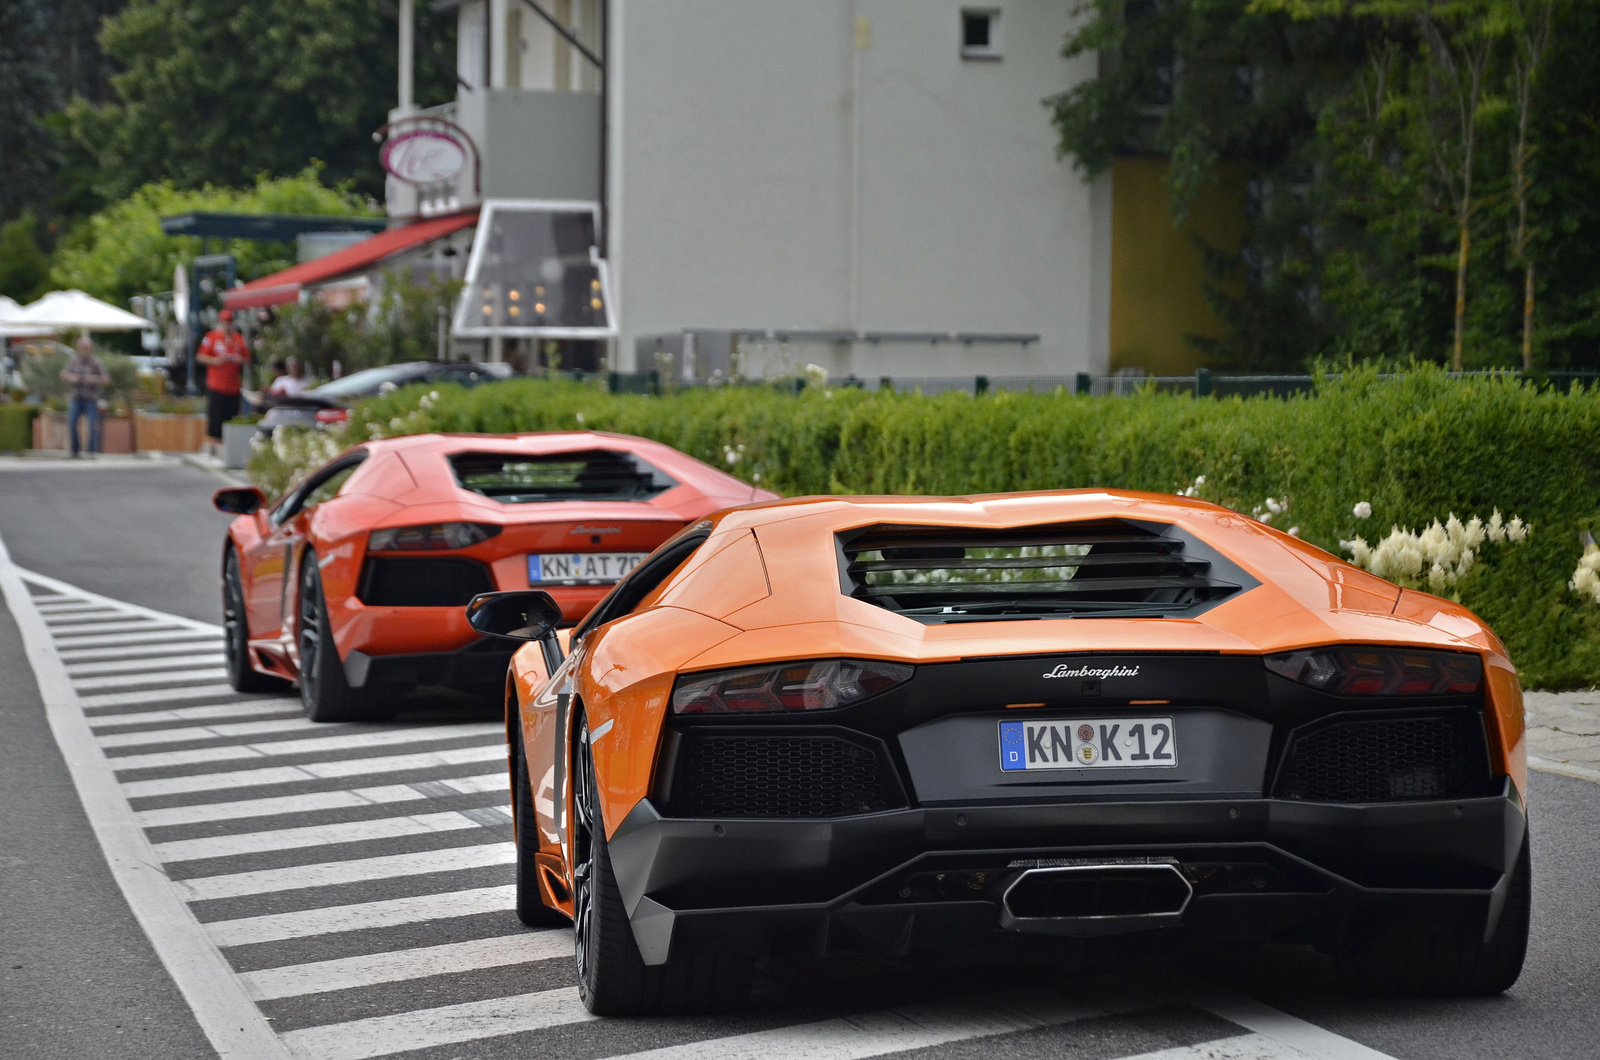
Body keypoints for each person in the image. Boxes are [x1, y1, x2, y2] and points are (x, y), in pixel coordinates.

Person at [197, 309, 250, 453]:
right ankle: (215, 443)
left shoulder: (238, 339)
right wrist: (215, 361)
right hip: (216, 384)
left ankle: (228, 443)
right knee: (216, 415)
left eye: (229, 321)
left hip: (233, 385)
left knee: (231, 414)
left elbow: (247, 358)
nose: (227, 324)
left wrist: (240, 360)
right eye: (224, 321)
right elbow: (201, 357)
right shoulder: (212, 337)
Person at [60, 336, 109, 458]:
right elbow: (63, 374)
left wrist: (93, 379)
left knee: (92, 426)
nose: (85, 350)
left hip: (90, 398)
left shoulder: (96, 363)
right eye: (83, 347)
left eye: (87, 347)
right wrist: (72, 377)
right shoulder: (74, 361)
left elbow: (106, 379)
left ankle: (91, 452)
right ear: (79, 348)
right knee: (71, 423)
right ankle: (75, 451)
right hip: (76, 398)